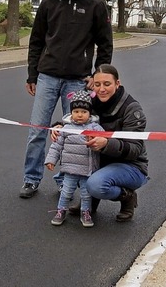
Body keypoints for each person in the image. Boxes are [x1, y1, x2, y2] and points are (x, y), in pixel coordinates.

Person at [20, 0, 113, 199]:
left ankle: (65, 180)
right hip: (47, 76)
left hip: (77, 80)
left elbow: (105, 45)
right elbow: (36, 41)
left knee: (72, 134)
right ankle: (31, 178)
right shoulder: (48, 3)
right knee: (37, 131)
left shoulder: (95, 4)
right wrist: (32, 74)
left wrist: (97, 75)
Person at [60, 64, 148, 222]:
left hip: (131, 166)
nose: (101, 89)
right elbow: (75, 119)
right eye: (97, 84)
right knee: (73, 163)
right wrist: (57, 127)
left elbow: (135, 149)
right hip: (100, 161)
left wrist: (106, 144)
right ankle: (90, 202)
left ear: (117, 84)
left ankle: (127, 197)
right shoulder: (90, 101)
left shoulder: (131, 108)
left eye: (107, 84)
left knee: (96, 184)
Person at [45, 90, 104, 228]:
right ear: (71, 112)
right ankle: (61, 211)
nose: (79, 115)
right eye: (76, 111)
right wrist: (51, 160)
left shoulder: (95, 128)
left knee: (86, 194)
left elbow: (104, 138)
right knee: (66, 192)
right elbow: (57, 146)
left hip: (87, 169)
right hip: (70, 169)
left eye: (84, 111)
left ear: (89, 113)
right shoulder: (66, 128)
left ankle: (85, 212)